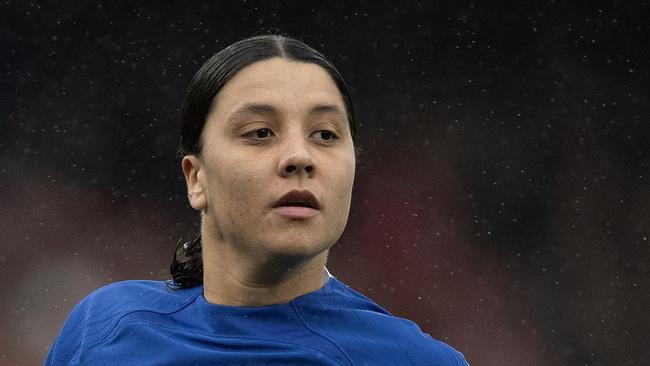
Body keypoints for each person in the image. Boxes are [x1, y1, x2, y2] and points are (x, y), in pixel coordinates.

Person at [45, 34, 470, 365]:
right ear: (197, 178)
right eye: (260, 133)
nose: (299, 157)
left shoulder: (410, 360)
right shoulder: (102, 330)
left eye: (325, 135)